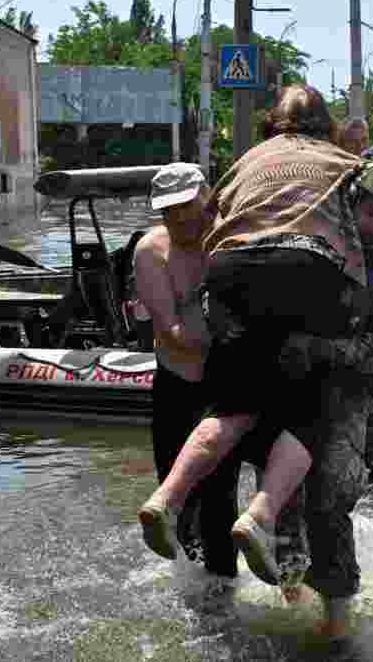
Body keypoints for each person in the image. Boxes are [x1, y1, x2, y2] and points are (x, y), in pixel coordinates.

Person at [137, 85, 373, 587]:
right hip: (295, 288)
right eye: (369, 212)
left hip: (242, 288)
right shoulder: (339, 172)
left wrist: (256, 334)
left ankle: (168, 499)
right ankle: (255, 524)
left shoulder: (249, 161)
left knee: (238, 413)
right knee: (295, 417)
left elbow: (218, 220)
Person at [252, 150, 373, 638]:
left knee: (327, 501)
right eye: (371, 212)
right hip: (301, 384)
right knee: (282, 492)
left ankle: (338, 620)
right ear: (353, 202)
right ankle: (292, 594)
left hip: (356, 397)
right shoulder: (320, 239)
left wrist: (321, 349)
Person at [133, 163, 246, 579]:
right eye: (168, 211)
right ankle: (189, 581)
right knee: (176, 493)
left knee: (220, 494)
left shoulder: (233, 237)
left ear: (206, 196)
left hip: (225, 383)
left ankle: (224, 586)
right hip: (177, 384)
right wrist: (235, 336)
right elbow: (174, 333)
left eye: (185, 206)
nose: (178, 218)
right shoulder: (151, 251)